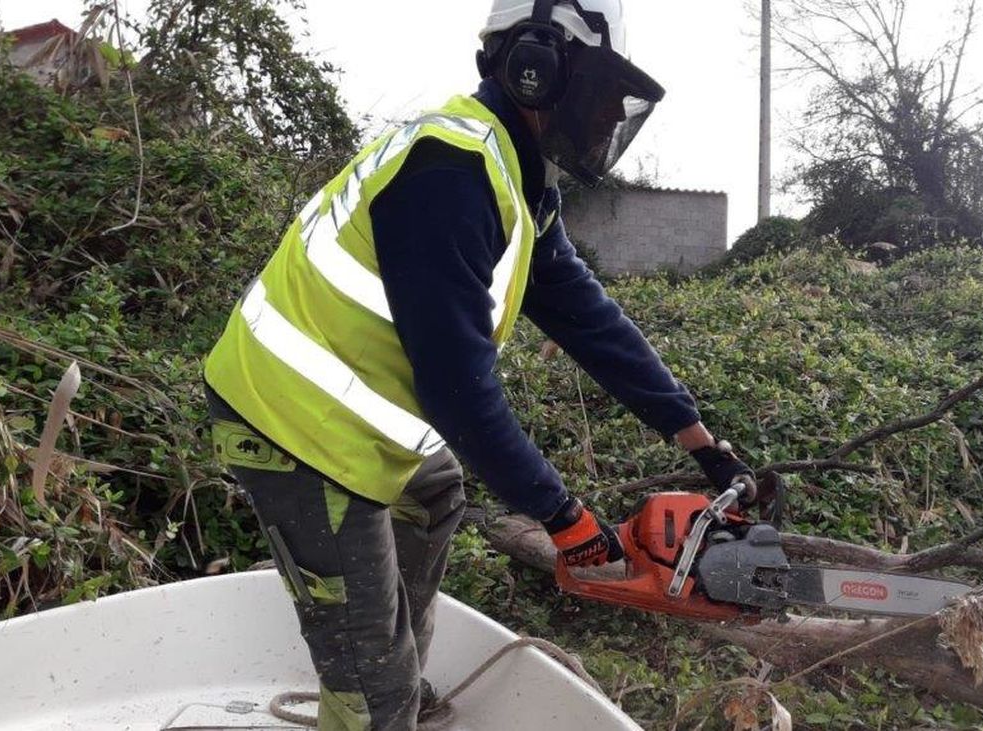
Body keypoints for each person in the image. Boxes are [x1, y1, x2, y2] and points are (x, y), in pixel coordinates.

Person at [202, 1, 757, 728]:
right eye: (598, 94)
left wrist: (699, 441)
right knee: (373, 689)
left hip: (344, 413)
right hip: (290, 420)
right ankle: (376, 696)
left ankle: (392, 673)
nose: (603, 120)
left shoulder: (516, 179)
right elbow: (458, 392)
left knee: (431, 494)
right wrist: (564, 517)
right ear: (538, 69)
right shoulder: (452, 171)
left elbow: (592, 322)